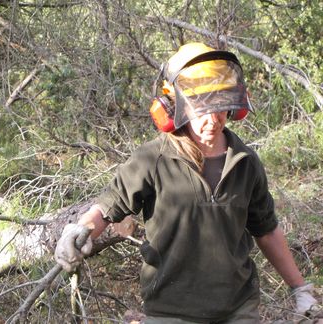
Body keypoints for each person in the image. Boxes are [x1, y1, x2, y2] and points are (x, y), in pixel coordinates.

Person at [54, 42, 319, 323]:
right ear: (173, 106)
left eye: (220, 107)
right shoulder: (152, 158)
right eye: (201, 108)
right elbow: (109, 207)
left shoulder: (245, 161)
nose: (212, 120)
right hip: (171, 311)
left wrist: (299, 288)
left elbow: (266, 230)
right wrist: (79, 231)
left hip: (238, 309)